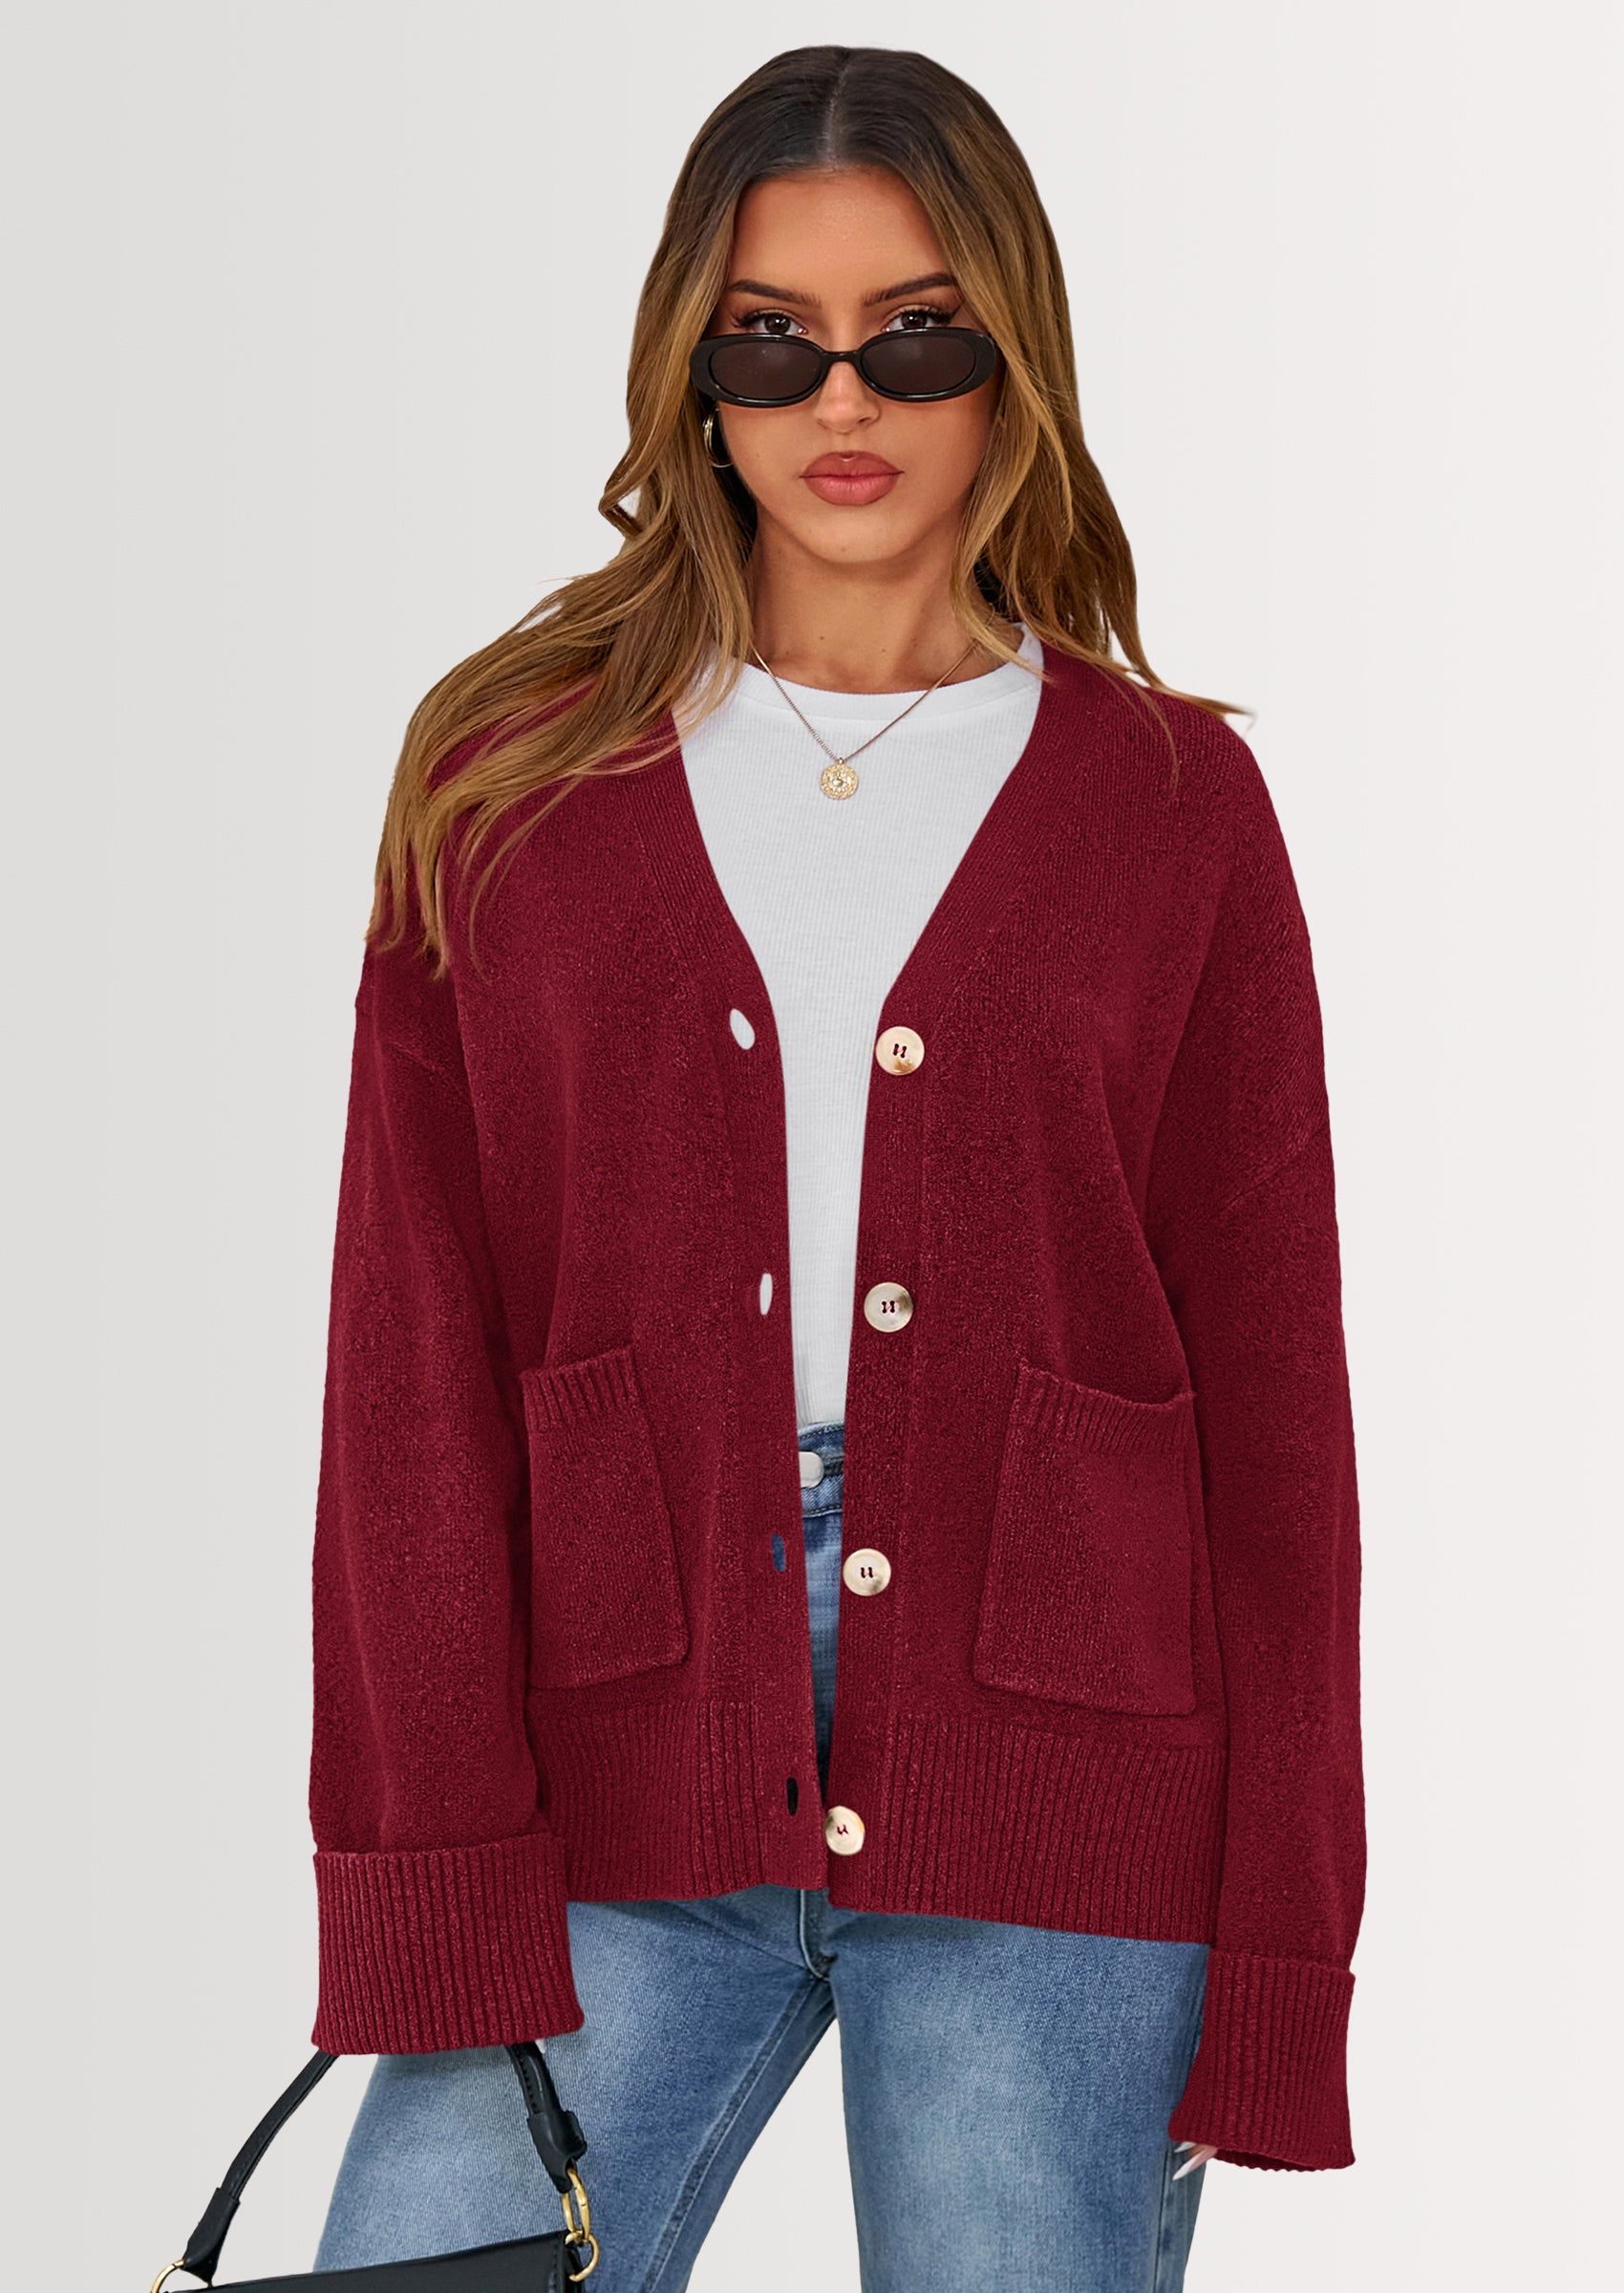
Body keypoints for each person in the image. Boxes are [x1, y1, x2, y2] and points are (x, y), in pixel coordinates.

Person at [306, 43, 1365, 2292]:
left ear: (1015, 360)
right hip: (606, 1759)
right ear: (693, 376)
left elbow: (1280, 1435)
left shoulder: (1173, 812)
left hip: (1064, 1798)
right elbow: (408, 1379)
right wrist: (429, 1882)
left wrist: (1282, 1959)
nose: (843, 396)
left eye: (918, 333)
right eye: (770, 340)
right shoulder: (512, 788)